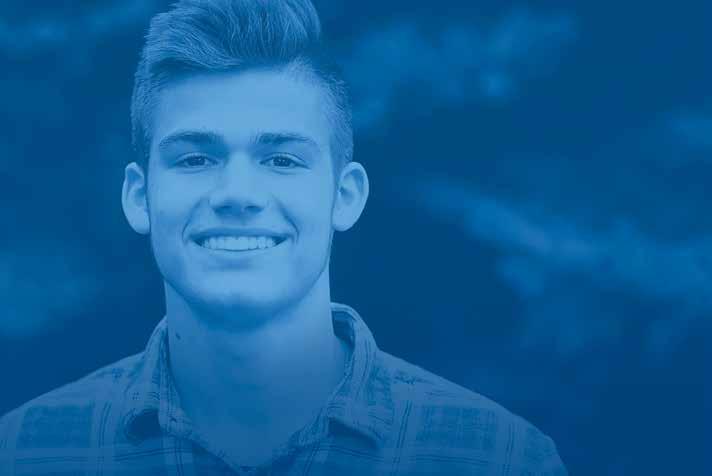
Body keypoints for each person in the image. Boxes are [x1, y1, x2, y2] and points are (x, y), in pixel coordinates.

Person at [0, 1, 567, 474]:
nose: (237, 193)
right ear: (138, 196)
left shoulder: (500, 460)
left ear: (345, 195)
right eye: (195, 158)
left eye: (282, 159)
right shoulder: (26, 455)